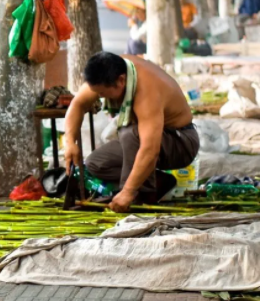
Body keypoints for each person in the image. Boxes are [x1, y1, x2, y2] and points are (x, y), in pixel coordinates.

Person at [64, 52, 199, 213]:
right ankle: (159, 181)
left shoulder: (147, 93)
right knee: (96, 163)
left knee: (129, 133)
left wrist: (128, 191)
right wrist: (70, 142)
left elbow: (150, 150)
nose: (99, 97)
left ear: (121, 81)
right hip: (148, 138)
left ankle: (142, 197)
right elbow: (78, 104)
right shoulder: (109, 70)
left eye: (102, 93)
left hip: (181, 142)